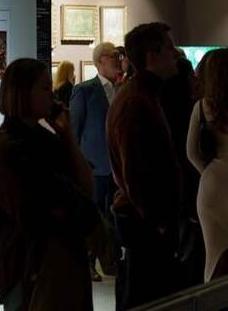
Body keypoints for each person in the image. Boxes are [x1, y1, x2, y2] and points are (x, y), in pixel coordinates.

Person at [0, 58, 96, 310]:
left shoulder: (46, 137)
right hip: (31, 266)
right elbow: (34, 213)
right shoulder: (8, 147)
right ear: (22, 93)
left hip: (58, 260)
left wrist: (67, 136)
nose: (52, 95)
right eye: (45, 89)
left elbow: (87, 186)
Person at [107, 22, 185, 310]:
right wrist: (159, 222)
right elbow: (137, 174)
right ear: (152, 56)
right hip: (146, 228)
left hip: (145, 223)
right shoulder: (136, 102)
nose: (175, 54)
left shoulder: (141, 95)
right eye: (169, 48)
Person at [71, 41, 122, 280]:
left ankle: (112, 261)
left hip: (117, 168)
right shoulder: (85, 90)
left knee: (114, 217)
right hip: (94, 168)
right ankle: (88, 263)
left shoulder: (121, 90)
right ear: (100, 61)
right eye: (113, 56)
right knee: (92, 218)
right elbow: (73, 130)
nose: (118, 60)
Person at [187, 48, 228, 282]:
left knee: (213, 254)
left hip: (213, 183)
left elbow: (191, 153)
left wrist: (208, 172)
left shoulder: (203, 107)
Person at [162, 55, 204, 284]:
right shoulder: (191, 110)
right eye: (191, 76)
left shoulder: (164, 109)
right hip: (190, 192)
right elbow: (191, 154)